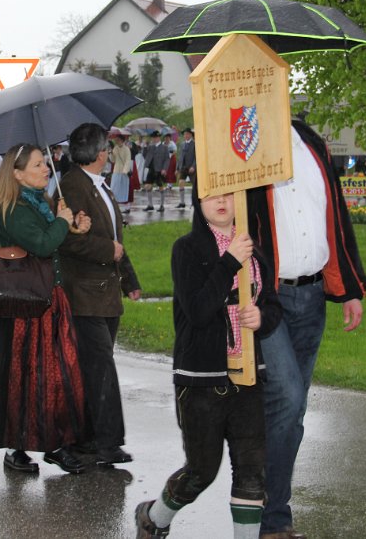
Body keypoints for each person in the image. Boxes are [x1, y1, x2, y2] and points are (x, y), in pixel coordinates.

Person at [246, 119, 366, 539]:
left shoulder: (311, 141)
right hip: (270, 298)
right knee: (287, 397)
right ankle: (272, 517)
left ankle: (263, 500)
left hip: (313, 295)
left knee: (291, 412)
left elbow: (335, 217)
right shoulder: (245, 146)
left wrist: (349, 288)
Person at [135, 191, 283, 539]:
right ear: (198, 201)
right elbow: (198, 311)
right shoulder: (186, 250)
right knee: (202, 470)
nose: (221, 202)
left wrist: (261, 317)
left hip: (248, 375)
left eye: (230, 194)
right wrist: (230, 261)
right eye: (211, 195)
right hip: (201, 377)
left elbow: (275, 306)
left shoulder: (255, 249)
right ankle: (154, 518)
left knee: (251, 469)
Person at [0, 143, 91, 475]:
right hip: (27, 307)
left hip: (47, 299)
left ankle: (51, 443)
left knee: (49, 374)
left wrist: (73, 226)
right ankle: (36, 447)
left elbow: (52, 238)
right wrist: (60, 221)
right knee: (30, 376)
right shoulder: (13, 209)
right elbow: (43, 243)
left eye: (45, 163)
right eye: (37, 165)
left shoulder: (37, 203)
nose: (46, 169)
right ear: (17, 174)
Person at [58, 123, 142, 466]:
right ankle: (106, 442)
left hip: (107, 295)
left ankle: (90, 439)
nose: (108, 153)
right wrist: (109, 251)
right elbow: (71, 239)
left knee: (95, 369)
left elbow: (116, 239)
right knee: (100, 368)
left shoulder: (100, 186)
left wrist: (130, 279)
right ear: (97, 154)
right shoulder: (71, 186)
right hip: (84, 294)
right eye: (105, 148)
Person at [143, 131, 170, 212]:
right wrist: (145, 146)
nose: (154, 139)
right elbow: (145, 156)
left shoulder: (164, 147)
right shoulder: (150, 147)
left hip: (160, 170)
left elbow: (167, 159)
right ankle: (150, 205)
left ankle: (162, 205)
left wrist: (164, 169)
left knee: (160, 187)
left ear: (159, 138)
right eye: (153, 138)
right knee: (147, 186)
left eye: (155, 137)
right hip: (151, 169)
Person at [109, 134, 133, 213]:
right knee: (114, 188)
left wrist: (125, 171)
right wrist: (110, 153)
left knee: (124, 189)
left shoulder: (126, 149)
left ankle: (126, 207)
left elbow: (127, 160)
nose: (116, 141)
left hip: (124, 173)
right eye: (116, 139)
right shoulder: (115, 148)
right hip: (116, 171)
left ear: (122, 140)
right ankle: (115, 206)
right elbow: (113, 160)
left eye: (118, 139)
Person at [175, 128, 196, 209]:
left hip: (191, 167)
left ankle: (194, 202)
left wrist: (193, 166)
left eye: (187, 134)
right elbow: (179, 157)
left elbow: (196, 157)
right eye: (184, 134)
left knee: (194, 185)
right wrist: (177, 168)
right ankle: (182, 202)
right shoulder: (182, 144)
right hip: (183, 167)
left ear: (191, 135)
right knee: (180, 182)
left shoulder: (194, 144)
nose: (186, 136)